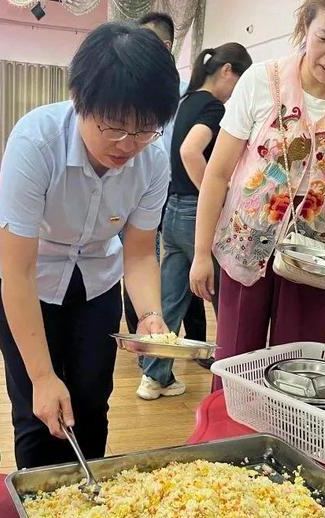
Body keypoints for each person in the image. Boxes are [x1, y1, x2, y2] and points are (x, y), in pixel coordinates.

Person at [0, 23, 179, 469]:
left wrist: (149, 316)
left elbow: (141, 251)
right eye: (114, 127)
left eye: (145, 130)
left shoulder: (152, 158)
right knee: (39, 405)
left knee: (91, 400)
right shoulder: (36, 141)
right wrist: (44, 375)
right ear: (81, 101)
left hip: (95, 275)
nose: (128, 145)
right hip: (24, 273)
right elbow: (20, 273)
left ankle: (90, 503)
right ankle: (38, 505)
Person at [189, 0, 325, 390]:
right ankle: (225, 449)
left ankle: (284, 447)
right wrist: (200, 253)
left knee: (296, 374)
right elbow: (217, 174)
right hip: (246, 247)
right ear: (305, 27)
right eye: (324, 39)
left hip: (314, 264)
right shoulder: (262, 81)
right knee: (234, 368)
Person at [137, 43, 253, 400]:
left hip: (172, 211)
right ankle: (237, 384)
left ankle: (155, 377)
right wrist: (211, 195)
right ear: (227, 71)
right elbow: (190, 150)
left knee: (170, 300)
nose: (238, 91)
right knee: (228, 302)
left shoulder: (186, 102)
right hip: (194, 214)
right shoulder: (213, 107)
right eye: (240, 81)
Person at [122, 11, 209, 354]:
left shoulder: (186, 93)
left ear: (165, 46)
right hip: (133, 189)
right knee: (133, 258)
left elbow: (181, 148)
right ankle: (140, 332)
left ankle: (196, 338)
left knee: (177, 270)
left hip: (173, 195)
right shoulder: (126, 89)